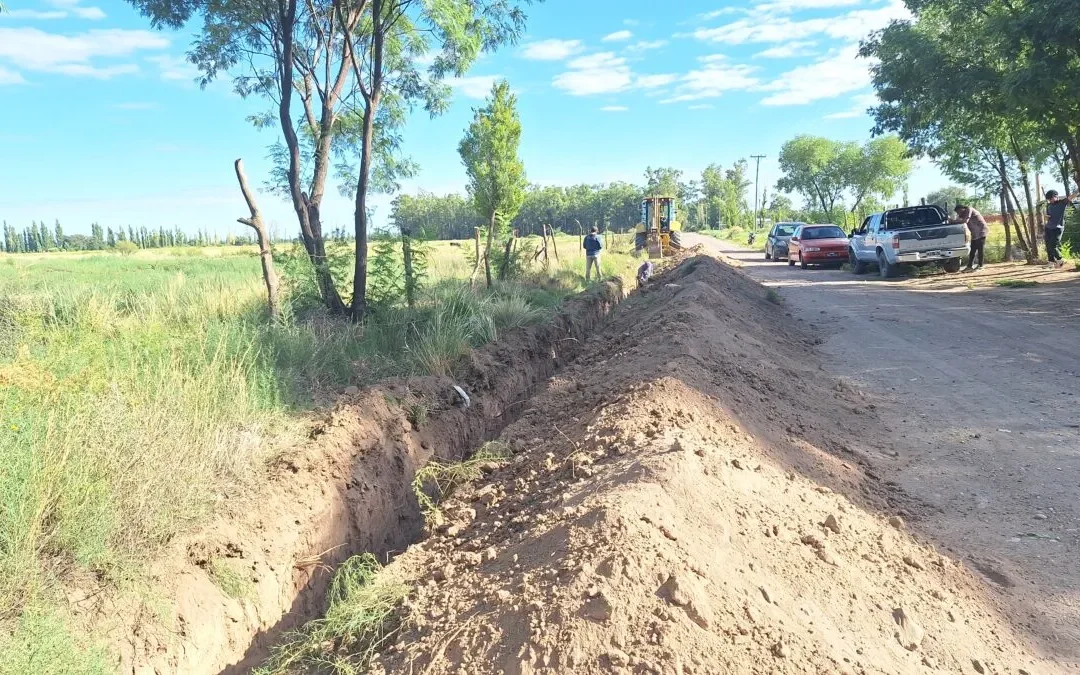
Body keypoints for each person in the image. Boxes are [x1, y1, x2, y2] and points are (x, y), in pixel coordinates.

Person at [1045, 189, 1079, 268]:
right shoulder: (1049, 205)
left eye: (1051, 198)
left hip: (1058, 228)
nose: (1050, 200)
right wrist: (1047, 217)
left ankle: (1060, 260)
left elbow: (1071, 196)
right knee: (1048, 245)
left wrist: (1078, 190)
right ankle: (1051, 262)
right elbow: (1048, 216)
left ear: (1056, 196)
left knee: (1053, 245)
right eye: (1049, 199)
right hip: (1048, 227)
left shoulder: (1062, 203)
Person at [950, 204, 989, 271]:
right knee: (972, 250)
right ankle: (969, 266)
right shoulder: (962, 214)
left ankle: (980, 266)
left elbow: (965, 221)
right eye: (957, 212)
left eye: (959, 211)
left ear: (962, 208)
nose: (958, 213)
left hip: (981, 231)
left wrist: (953, 221)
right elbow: (958, 220)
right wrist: (953, 221)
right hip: (975, 233)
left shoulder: (969, 209)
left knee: (980, 249)